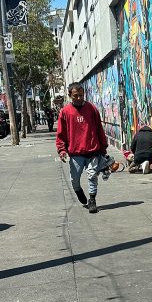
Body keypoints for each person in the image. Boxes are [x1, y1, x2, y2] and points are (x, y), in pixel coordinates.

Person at [55, 83, 116, 213]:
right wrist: (62, 150)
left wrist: (103, 147)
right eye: (76, 96)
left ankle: (92, 200)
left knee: (92, 175)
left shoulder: (92, 109)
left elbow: (99, 129)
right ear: (70, 95)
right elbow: (61, 133)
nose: (79, 98)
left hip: (93, 150)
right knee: (74, 179)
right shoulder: (65, 112)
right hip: (75, 152)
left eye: (81, 95)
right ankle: (78, 190)